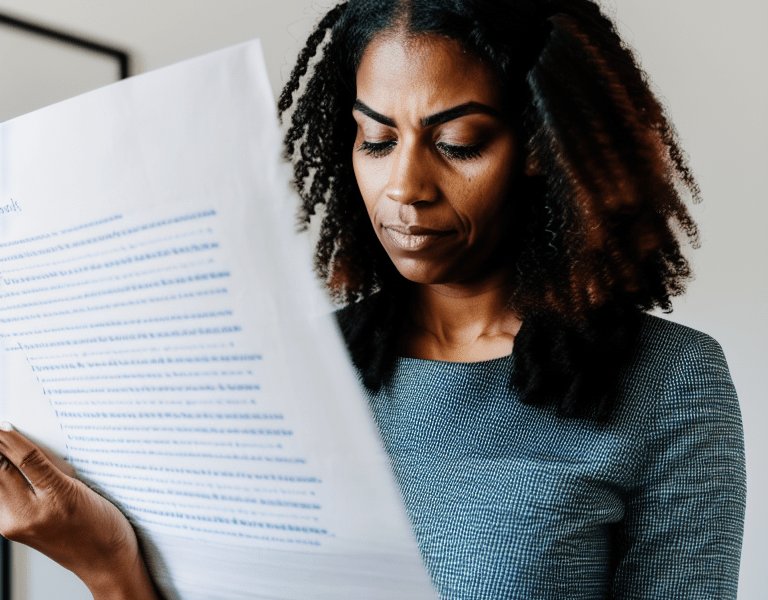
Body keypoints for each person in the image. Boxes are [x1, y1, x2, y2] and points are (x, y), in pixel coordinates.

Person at [0, 0, 746, 598]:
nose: (405, 189)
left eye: (458, 143)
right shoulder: (288, 366)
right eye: (376, 140)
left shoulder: (669, 380)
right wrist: (106, 563)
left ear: (545, 151)